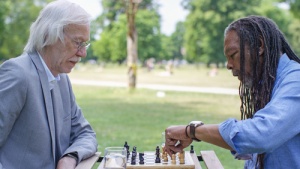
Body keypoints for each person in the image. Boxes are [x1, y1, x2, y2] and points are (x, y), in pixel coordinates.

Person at [164, 15, 300, 169]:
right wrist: (196, 132)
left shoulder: (296, 81)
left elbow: (261, 135)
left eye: (233, 55)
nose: (228, 65)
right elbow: (257, 151)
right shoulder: (269, 83)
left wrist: (193, 131)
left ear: (260, 45)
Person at [0, 1, 98, 168]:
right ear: (48, 36)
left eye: (84, 44)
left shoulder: (62, 79)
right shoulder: (17, 74)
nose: (83, 53)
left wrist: (70, 157)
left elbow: (85, 134)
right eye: (77, 42)